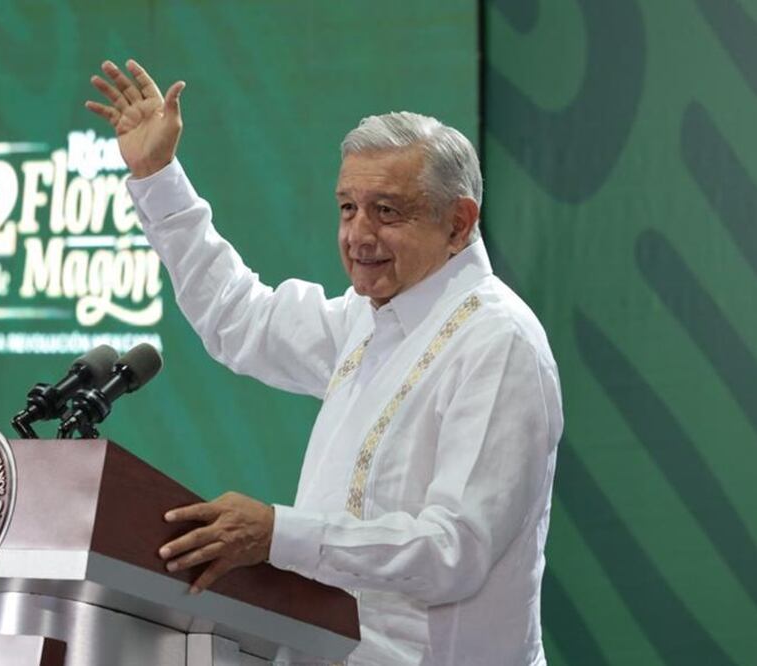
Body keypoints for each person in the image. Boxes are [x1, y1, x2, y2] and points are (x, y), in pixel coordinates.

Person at [86, 60, 563, 665]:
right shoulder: (365, 317)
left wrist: (277, 535)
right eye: (347, 208)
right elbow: (239, 318)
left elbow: (454, 551)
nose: (358, 234)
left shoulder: (500, 342)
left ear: (458, 222)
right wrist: (157, 176)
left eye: (386, 211)